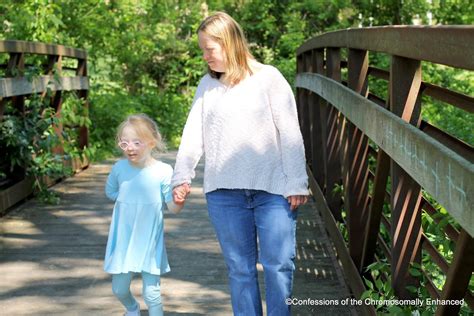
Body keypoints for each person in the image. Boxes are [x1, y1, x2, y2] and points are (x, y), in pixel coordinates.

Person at [171, 11, 309, 316]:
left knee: (279, 265)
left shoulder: (269, 78)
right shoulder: (207, 86)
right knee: (240, 270)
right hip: (224, 193)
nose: (205, 56)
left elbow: (289, 132)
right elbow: (193, 135)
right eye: (202, 50)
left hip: (273, 189)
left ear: (230, 43)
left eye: (210, 48)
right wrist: (181, 177)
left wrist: (297, 181)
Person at [104, 114, 183, 316]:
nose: (130, 148)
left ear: (151, 142)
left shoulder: (163, 171)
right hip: (123, 240)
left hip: (149, 240)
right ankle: (132, 308)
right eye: (124, 143)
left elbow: (172, 207)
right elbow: (111, 192)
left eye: (136, 142)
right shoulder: (119, 168)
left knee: (152, 293)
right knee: (119, 289)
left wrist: (179, 200)